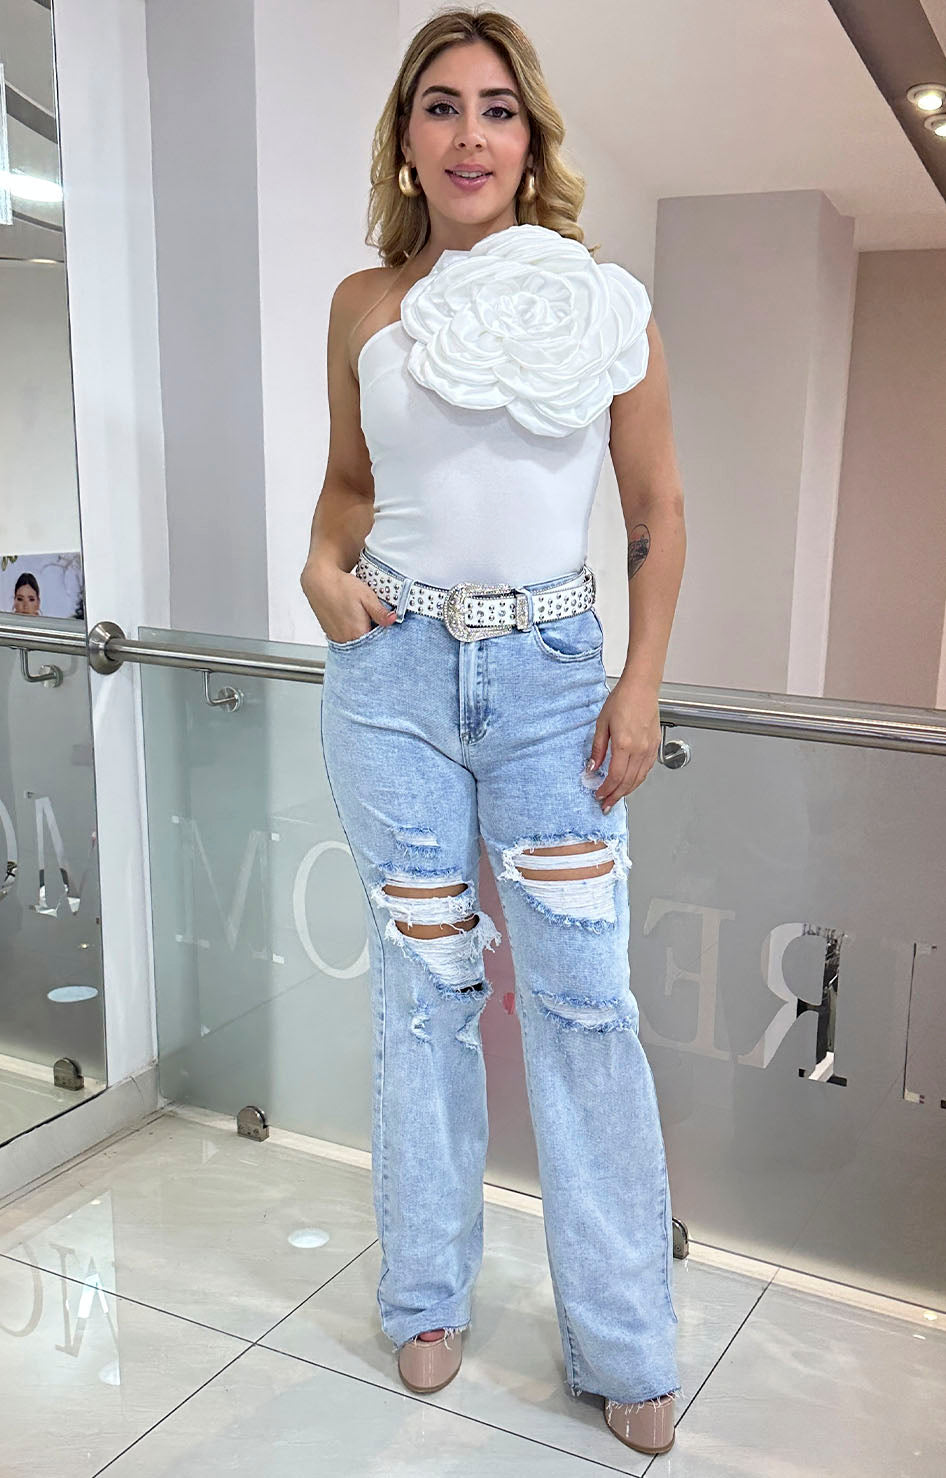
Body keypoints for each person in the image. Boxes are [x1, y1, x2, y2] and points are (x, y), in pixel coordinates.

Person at [300, 8, 687, 1459]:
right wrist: (317, 567)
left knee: (584, 1004)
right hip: (390, 678)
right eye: (442, 105)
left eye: (498, 109)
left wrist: (639, 682)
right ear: (406, 136)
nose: (470, 134)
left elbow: (655, 509)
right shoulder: (363, 305)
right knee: (424, 996)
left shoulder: (605, 303)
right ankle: (423, 1295)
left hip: (552, 684)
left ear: (532, 141)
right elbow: (349, 486)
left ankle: (624, 1338)